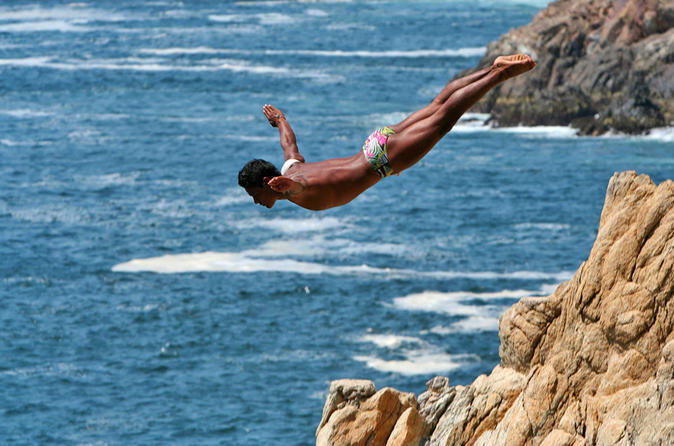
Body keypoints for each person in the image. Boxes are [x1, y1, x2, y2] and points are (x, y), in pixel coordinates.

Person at [238, 54, 535, 211]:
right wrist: (279, 118)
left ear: (269, 183)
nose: (256, 201)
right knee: (437, 106)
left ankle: (500, 73)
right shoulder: (293, 166)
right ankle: (493, 68)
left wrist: (285, 186)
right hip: (374, 144)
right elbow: (289, 143)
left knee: (445, 118)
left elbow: (296, 187)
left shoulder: (291, 187)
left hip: (382, 162)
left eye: (254, 194)